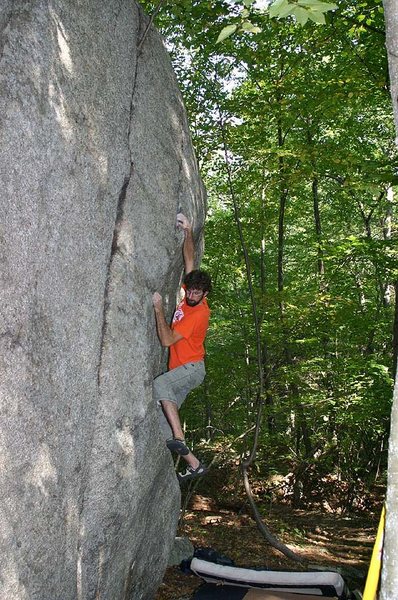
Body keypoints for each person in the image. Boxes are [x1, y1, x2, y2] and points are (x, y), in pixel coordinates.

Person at [152, 213, 212, 483]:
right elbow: (190, 260)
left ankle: (180, 437)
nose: (191, 295)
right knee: (162, 424)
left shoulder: (198, 315)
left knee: (160, 387)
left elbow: (166, 341)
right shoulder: (189, 293)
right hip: (182, 372)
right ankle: (194, 464)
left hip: (191, 369)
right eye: (189, 291)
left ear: (205, 295)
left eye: (197, 293)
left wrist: (157, 308)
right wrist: (188, 231)